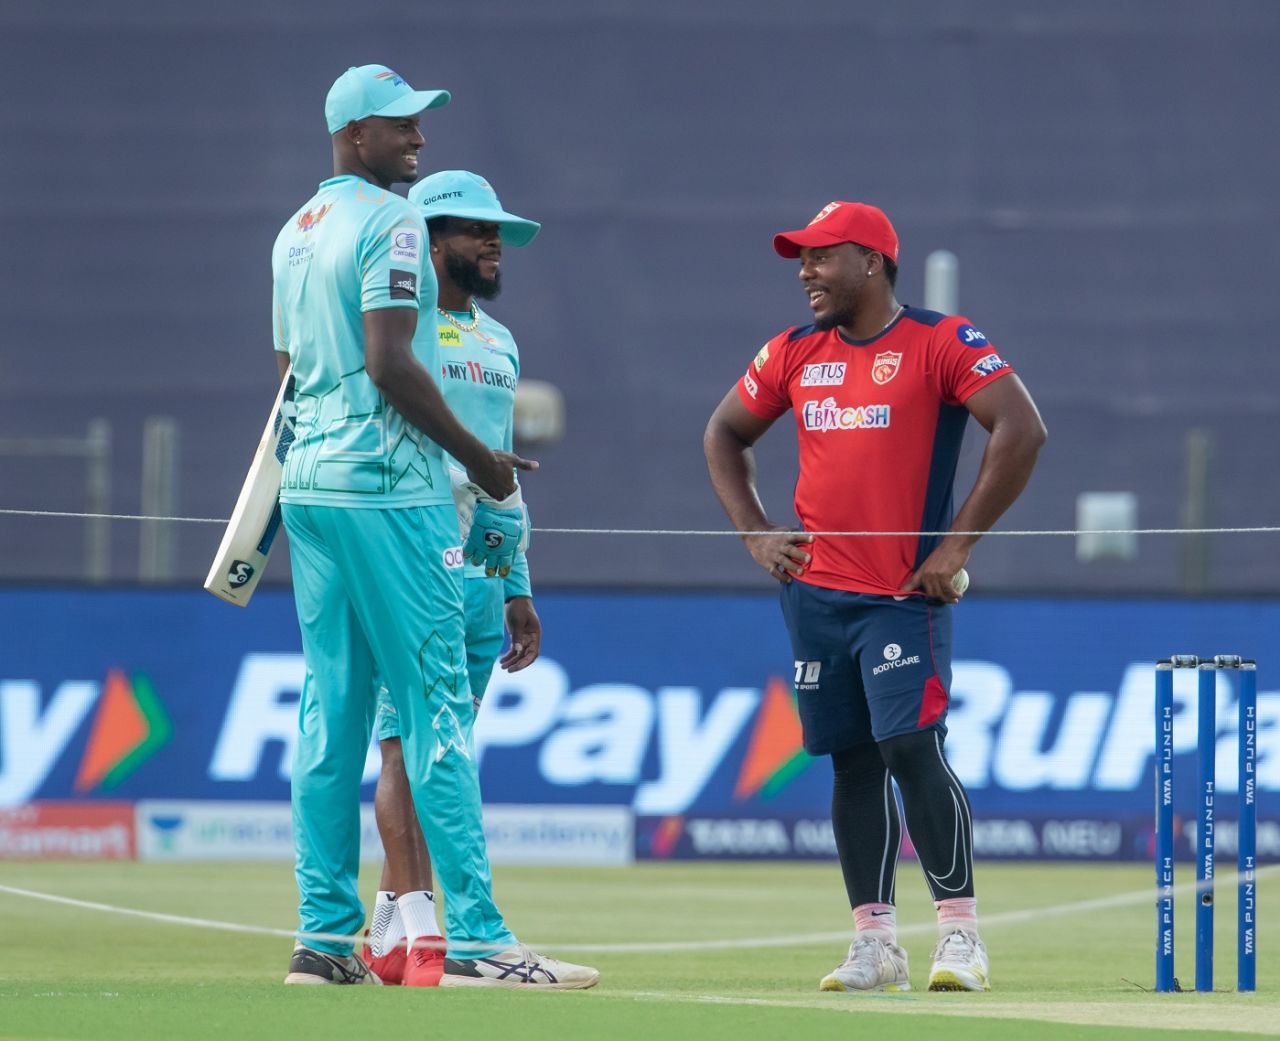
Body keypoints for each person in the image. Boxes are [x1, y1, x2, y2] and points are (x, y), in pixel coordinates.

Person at [271, 64, 596, 990]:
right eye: (403, 126)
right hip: (391, 490)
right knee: (435, 717)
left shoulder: (296, 232)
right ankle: (482, 942)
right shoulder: (391, 224)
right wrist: (484, 462)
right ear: (355, 130)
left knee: (329, 718)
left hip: (313, 487)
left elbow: (292, 372)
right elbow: (387, 362)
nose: (418, 139)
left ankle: (324, 939)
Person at [703, 201, 1046, 993]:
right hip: (815, 596)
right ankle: (875, 942)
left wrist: (956, 545)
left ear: (875, 260)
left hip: (901, 595)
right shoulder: (793, 351)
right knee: (851, 765)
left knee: (911, 750)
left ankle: (959, 934)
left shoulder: (941, 341)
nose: (806, 272)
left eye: (823, 256)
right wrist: (756, 533)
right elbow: (723, 433)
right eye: (801, 257)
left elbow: (1022, 429)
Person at [360, 170, 547, 987]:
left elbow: (502, 471)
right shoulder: (403, 328)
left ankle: (393, 922)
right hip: (413, 553)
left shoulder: (500, 340)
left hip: (481, 568)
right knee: (409, 742)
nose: (495, 243)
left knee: (446, 747)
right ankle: (428, 926)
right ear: (431, 241)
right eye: (477, 229)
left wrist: (517, 584)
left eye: (498, 230)